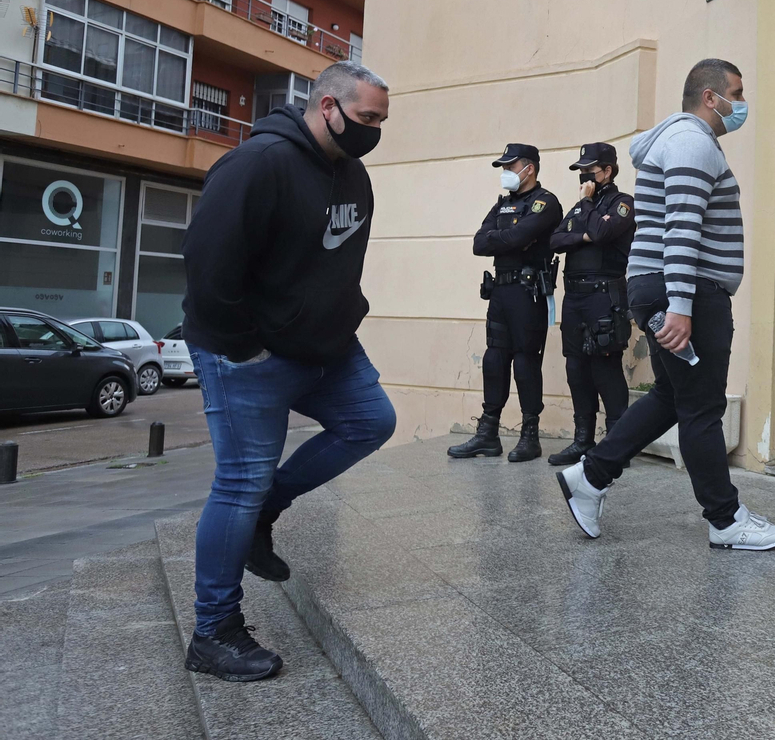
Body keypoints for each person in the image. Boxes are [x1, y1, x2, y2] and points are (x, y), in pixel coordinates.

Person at [179, 61, 395, 681]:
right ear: (327, 107)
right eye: (367, 118)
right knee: (239, 482)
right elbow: (206, 264)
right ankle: (213, 631)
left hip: (326, 347)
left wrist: (337, 323)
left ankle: (264, 512)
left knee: (371, 421)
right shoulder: (257, 164)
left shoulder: (353, 174)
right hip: (249, 351)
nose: (375, 130)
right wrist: (245, 349)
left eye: (382, 120)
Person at [555, 58, 775, 551]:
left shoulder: (680, 142)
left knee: (671, 396)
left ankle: (590, 476)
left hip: (660, 285)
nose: (742, 104)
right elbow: (683, 228)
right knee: (703, 407)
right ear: (711, 97)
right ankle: (725, 521)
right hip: (687, 289)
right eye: (737, 93)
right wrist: (681, 304)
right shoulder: (691, 144)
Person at [448, 144, 563, 461]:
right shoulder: (503, 204)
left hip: (528, 293)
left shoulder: (545, 203)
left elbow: (512, 238)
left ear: (529, 168)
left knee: (526, 361)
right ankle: (488, 433)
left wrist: (505, 236)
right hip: (500, 290)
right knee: (494, 359)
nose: (506, 173)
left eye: (510, 167)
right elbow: (478, 242)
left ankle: (530, 434)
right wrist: (510, 235)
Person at [546, 143, 637, 466]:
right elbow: (556, 240)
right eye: (581, 171)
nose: (584, 176)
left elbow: (600, 233)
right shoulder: (581, 206)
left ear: (608, 171)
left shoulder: (622, 203)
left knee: (605, 366)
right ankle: (582, 440)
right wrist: (582, 231)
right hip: (575, 297)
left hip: (604, 295)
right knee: (576, 366)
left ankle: (617, 445)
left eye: (590, 170)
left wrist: (586, 216)